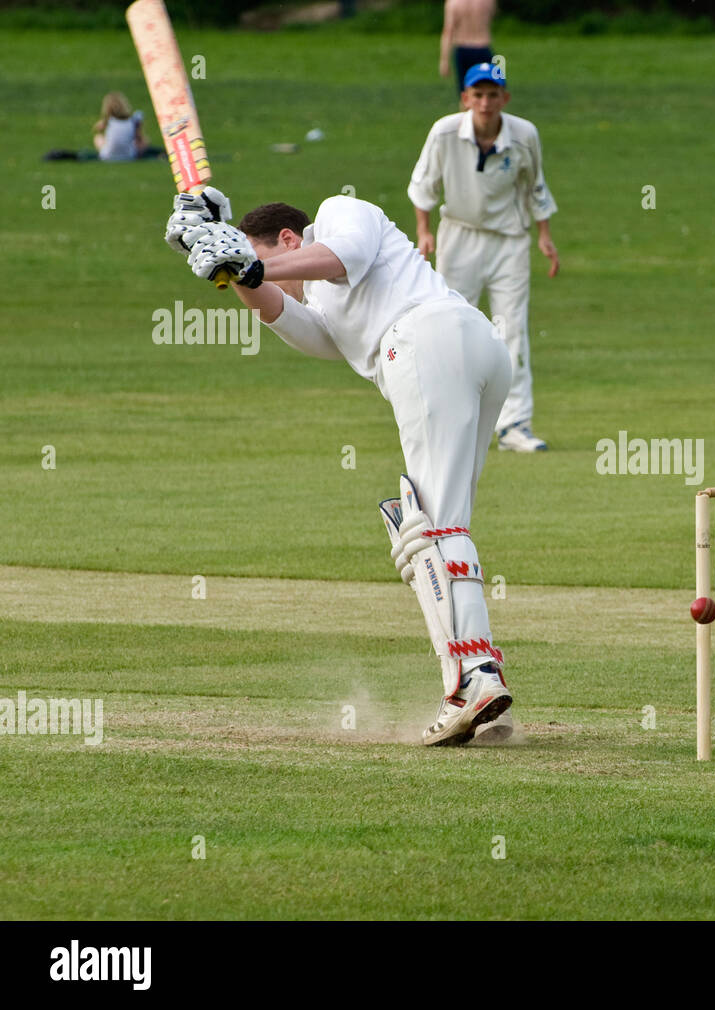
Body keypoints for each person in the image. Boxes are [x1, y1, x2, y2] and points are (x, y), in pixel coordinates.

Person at [163, 189, 515, 746]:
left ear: (287, 238)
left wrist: (250, 262)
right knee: (436, 526)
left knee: (429, 528)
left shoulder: (339, 212)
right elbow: (290, 321)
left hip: (427, 339)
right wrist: (236, 275)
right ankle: (483, 680)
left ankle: (472, 680)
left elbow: (341, 255)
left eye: (264, 257)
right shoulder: (327, 307)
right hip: (473, 351)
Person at [408, 62, 559, 453]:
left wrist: (544, 237)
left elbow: (535, 187)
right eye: (478, 95)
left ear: (504, 99)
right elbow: (424, 186)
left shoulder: (524, 135)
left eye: (493, 95)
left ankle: (514, 425)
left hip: (509, 240)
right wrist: (424, 232)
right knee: (452, 326)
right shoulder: (444, 132)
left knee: (511, 328)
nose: (486, 103)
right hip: (458, 236)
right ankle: (451, 419)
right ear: (465, 99)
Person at [440, 0, 495, 100]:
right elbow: (492, 15)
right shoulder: (487, 2)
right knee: (487, 91)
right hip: (482, 47)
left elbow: (448, 31)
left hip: (463, 49)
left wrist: (444, 60)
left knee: (465, 94)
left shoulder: (453, 3)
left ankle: (466, 114)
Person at [93, 92, 160, 162]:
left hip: (107, 156)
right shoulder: (132, 121)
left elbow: (97, 129)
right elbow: (139, 138)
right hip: (129, 155)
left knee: (98, 138)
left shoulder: (108, 121)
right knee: (145, 140)